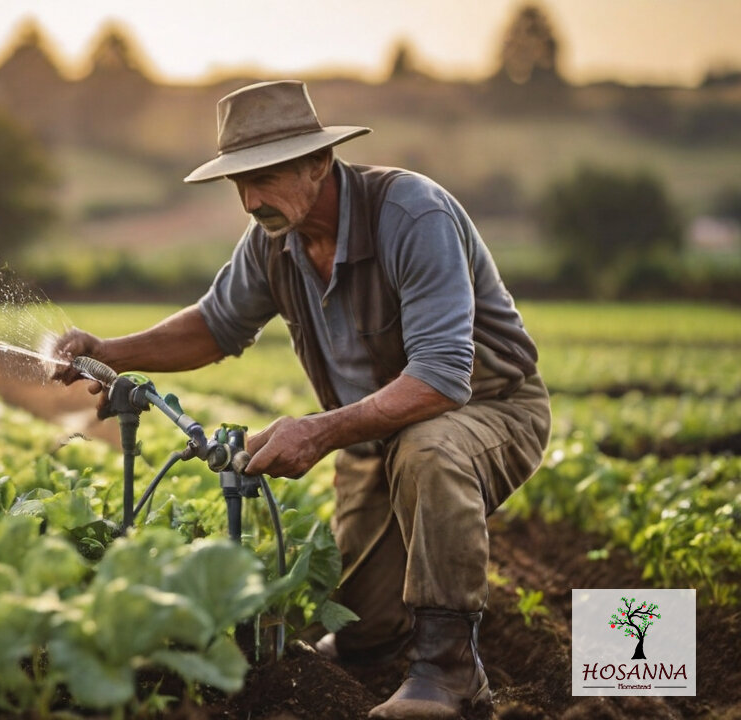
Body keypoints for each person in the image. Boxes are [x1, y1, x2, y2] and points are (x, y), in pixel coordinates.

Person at [52, 80, 550, 720]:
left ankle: (450, 673)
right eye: (238, 182)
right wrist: (113, 351)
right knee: (364, 629)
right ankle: (385, 650)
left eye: (264, 177)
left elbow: (441, 379)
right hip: (374, 436)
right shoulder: (272, 241)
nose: (250, 200)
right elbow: (213, 325)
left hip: (485, 408)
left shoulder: (410, 215)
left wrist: (316, 432)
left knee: (430, 449)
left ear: (320, 162)